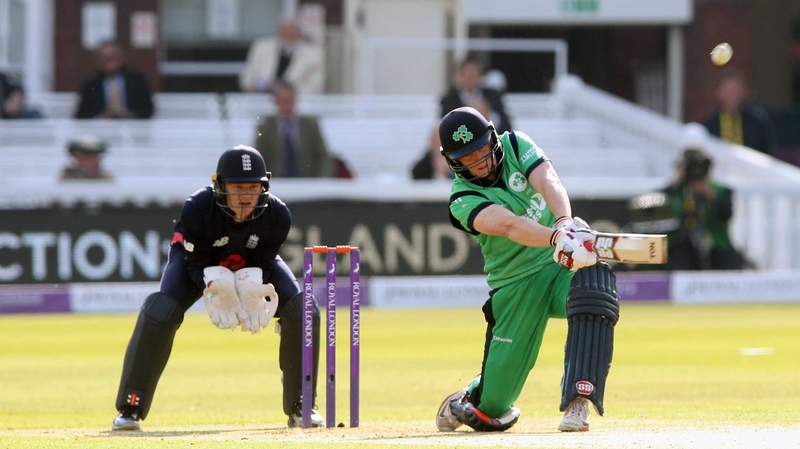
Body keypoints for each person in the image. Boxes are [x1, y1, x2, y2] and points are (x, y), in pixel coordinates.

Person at [111, 145, 324, 431]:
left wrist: (250, 289)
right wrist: (215, 287)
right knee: (160, 310)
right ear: (220, 186)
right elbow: (195, 264)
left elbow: (262, 261)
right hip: (197, 262)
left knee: (304, 310)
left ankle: (302, 404)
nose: (246, 196)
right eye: (237, 187)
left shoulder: (277, 215)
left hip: (253, 262)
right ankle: (130, 406)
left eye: (253, 187)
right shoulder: (197, 209)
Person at [434, 107, 618, 433]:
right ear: (453, 162)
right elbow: (510, 226)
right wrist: (558, 237)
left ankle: (579, 399)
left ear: (492, 136)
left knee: (596, 287)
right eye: (467, 156)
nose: (479, 159)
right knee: (491, 412)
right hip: (515, 286)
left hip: (559, 266)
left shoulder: (517, 145)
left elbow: (548, 180)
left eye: (481, 147)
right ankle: (475, 392)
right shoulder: (461, 198)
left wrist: (564, 222)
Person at [662, 147, 746, 270]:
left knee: (730, 262)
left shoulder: (720, 190)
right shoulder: (676, 191)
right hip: (684, 249)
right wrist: (675, 184)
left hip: (717, 249)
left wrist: (710, 195)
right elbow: (655, 206)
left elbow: (727, 213)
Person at [253, 82, 338, 178]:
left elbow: (323, 155)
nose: (286, 104)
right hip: (277, 179)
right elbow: (258, 157)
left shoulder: (310, 125)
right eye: (283, 100)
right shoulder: (265, 127)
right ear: (276, 102)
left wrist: (323, 179)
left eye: (289, 100)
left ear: (295, 100)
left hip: (306, 179)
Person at [239, 18, 324, 94]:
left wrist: (284, 90)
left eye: (292, 31)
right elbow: (247, 78)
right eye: (285, 30)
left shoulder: (313, 54)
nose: (288, 34)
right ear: (279, 31)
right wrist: (261, 85)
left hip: (297, 103)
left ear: (299, 33)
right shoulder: (262, 48)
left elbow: (316, 86)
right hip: (261, 99)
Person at [701, 69, 775, 156]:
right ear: (718, 93)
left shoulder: (757, 121)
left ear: (744, 92)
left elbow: (768, 154)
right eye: (728, 91)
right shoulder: (709, 124)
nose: (732, 96)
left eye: (735, 90)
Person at [75, 41, 154, 119]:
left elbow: (147, 109)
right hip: (101, 128)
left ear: (121, 58)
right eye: (103, 57)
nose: (108, 60)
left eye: (112, 56)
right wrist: (99, 117)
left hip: (131, 127)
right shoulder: (91, 85)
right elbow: (82, 114)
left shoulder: (137, 81)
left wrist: (131, 115)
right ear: (97, 60)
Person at [440, 58, 512, 134]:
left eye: (474, 74)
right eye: (467, 74)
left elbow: (506, 127)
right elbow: (446, 128)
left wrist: (490, 114)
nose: (470, 78)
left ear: (480, 76)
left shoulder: (493, 97)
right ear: (461, 76)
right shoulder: (449, 100)